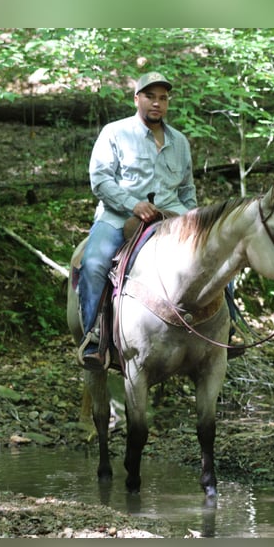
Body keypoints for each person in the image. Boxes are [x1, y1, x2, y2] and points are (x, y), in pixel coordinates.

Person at [77, 72, 198, 370]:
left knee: (220, 259)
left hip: (173, 217)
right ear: (137, 98)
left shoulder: (179, 142)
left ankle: (229, 327)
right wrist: (133, 204)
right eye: (150, 96)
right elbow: (101, 180)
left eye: (163, 98)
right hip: (119, 216)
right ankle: (95, 337)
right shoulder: (114, 133)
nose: (157, 103)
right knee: (93, 264)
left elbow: (187, 190)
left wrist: (195, 222)